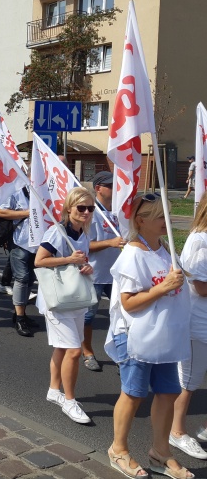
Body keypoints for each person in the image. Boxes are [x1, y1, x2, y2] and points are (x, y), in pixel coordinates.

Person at [105, 194, 193, 479]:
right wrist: (164, 287)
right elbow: (128, 302)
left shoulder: (163, 247)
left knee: (169, 392)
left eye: (165, 214)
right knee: (133, 394)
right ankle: (118, 449)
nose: (165, 220)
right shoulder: (132, 253)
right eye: (159, 216)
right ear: (140, 221)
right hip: (135, 335)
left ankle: (160, 451)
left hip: (164, 334)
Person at [35, 187, 96, 424]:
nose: (86, 212)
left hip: (75, 298)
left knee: (62, 348)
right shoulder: (57, 232)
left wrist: (86, 267)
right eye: (81, 208)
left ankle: (53, 390)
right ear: (69, 208)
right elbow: (39, 260)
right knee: (73, 350)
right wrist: (69, 259)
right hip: (56, 300)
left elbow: (80, 265)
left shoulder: (84, 235)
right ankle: (69, 401)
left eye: (90, 208)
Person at [169, 198, 207, 460]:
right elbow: (201, 287)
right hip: (198, 322)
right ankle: (177, 431)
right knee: (189, 381)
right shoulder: (200, 241)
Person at [85, 171, 126, 372]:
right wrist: (110, 242)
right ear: (98, 188)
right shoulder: (90, 213)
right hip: (95, 274)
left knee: (121, 316)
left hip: (117, 275)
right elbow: (84, 245)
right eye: (110, 185)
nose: (114, 188)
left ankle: (120, 353)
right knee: (88, 317)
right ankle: (87, 352)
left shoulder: (119, 213)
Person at [0, 187, 38, 337]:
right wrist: (28, 213)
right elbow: (1, 212)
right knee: (22, 278)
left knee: (31, 279)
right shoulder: (15, 191)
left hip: (38, 243)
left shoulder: (44, 191)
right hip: (19, 242)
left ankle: (21, 313)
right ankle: (19, 319)